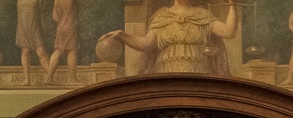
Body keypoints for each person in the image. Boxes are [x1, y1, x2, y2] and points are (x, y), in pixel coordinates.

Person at [99, 0, 237, 75]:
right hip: (166, 73)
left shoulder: (203, 14)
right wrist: (122, 35)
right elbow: (146, 44)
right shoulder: (162, 16)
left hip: (198, 72)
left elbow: (228, 32)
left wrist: (232, 6)